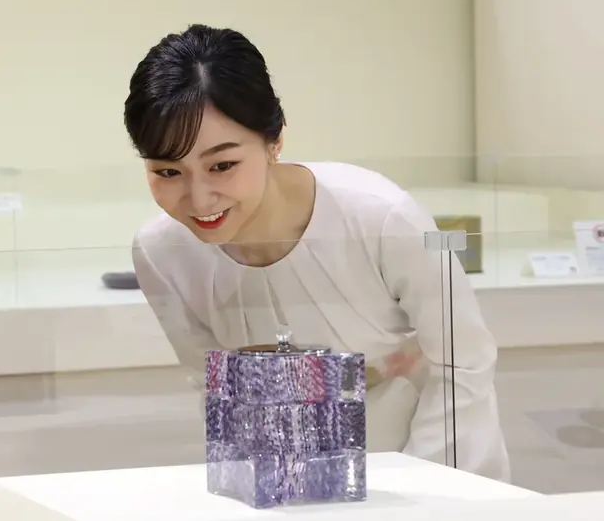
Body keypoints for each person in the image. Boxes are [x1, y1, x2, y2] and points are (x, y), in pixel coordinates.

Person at [123, 24, 510, 482]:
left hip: (428, 462)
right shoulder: (160, 252)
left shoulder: (380, 216)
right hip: (288, 484)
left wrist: (424, 488)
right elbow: (218, 387)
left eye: (222, 165)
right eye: (168, 172)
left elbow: (463, 361)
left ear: (275, 141)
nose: (199, 198)